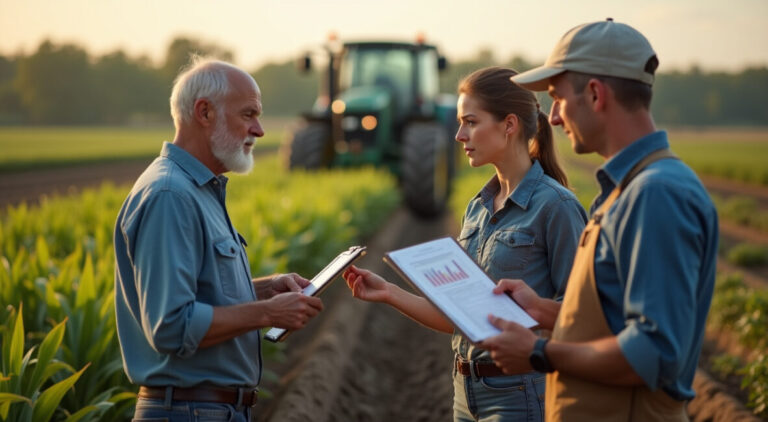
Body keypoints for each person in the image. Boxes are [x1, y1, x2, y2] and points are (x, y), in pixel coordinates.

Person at [479, 19, 719, 422]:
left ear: (594, 94)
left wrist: (539, 352)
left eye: (557, 98)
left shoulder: (655, 194)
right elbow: (617, 324)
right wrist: (544, 310)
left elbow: (655, 352)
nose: (554, 118)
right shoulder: (629, 190)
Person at [342, 66, 587, 422]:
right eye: (460, 123)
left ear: (509, 124)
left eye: (471, 122)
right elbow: (460, 319)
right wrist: (389, 292)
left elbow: (584, 317)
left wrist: (536, 314)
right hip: (465, 393)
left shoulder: (556, 207)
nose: (459, 135)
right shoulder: (477, 208)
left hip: (522, 394)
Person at [114, 57, 324, 421]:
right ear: (204, 112)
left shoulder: (197, 190)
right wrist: (268, 313)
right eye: (248, 114)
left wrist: (264, 290)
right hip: (189, 411)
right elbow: (172, 326)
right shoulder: (170, 195)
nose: (259, 130)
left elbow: (199, 296)